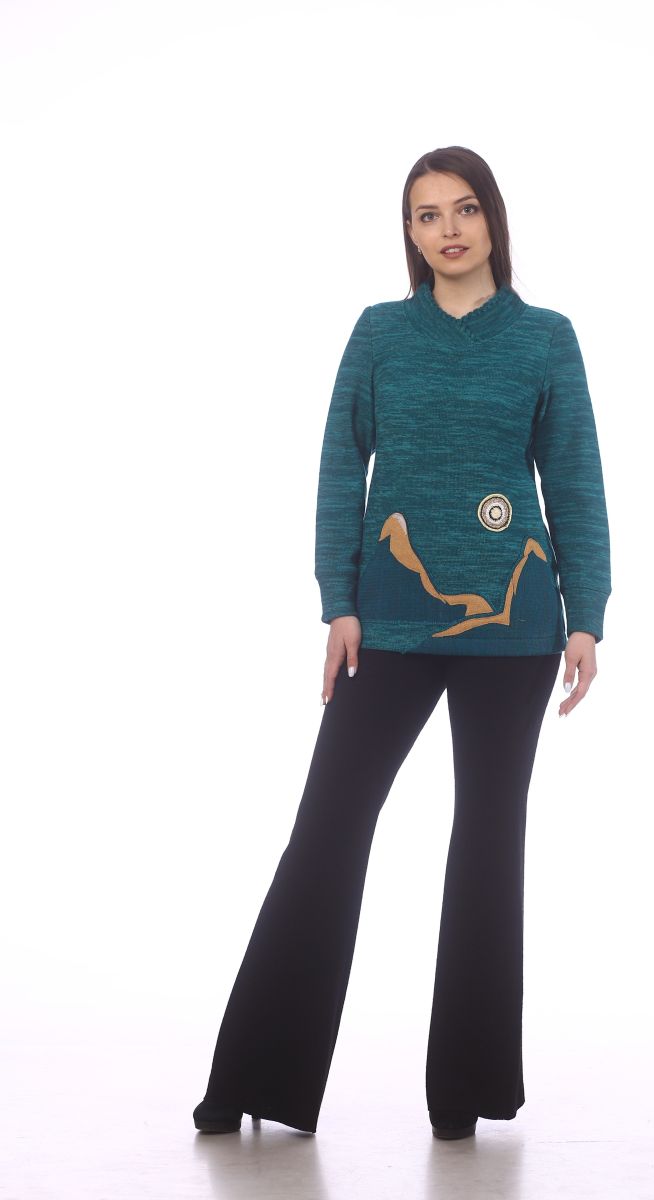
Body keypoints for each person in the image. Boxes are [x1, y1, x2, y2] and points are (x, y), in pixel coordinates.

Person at [193, 145, 612, 1141]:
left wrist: (585, 611)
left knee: (488, 841)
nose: (448, 230)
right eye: (427, 215)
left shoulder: (544, 339)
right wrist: (337, 600)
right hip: (386, 621)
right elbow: (342, 467)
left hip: (515, 628)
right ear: (410, 233)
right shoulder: (380, 333)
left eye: (464, 209)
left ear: (492, 219)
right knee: (329, 830)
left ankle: (463, 1094)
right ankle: (253, 1079)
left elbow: (574, 476)